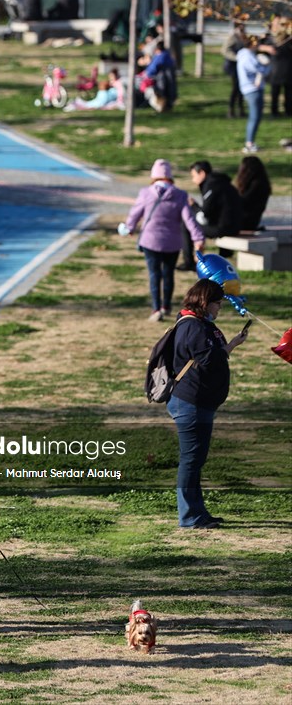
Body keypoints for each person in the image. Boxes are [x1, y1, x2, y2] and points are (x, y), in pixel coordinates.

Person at [167, 279, 248, 529]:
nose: (219, 308)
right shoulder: (193, 326)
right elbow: (209, 358)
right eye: (217, 304)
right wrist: (228, 347)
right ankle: (190, 517)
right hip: (190, 403)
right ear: (205, 302)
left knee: (195, 459)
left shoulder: (198, 324)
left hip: (198, 402)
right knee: (191, 460)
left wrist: (232, 344)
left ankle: (197, 512)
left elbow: (211, 355)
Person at [122, 159, 204, 321]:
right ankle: (166, 306)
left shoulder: (146, 192)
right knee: (168, 274)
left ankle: (155, 309)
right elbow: (189, 220)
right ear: (170, 176)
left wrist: (129, 227)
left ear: (154, 176)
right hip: (172, 242)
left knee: (154, 274)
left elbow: (135, 213)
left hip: (150, 241)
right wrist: (198, 238)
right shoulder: (180, 195)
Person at [185, 161, 242, 264]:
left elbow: (203, 216)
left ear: (202, 173)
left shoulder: (211, 185)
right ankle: (225, 253)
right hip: (234, 226)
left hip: (224, 229)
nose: (193, 180)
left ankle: (189, 262)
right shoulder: (221, 182)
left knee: (187, 224)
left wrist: (193, 205)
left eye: (193, 176)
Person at [236, 35, 276, 154]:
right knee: (254, 117)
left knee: (256, 116)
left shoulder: (247, 55)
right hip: (252, 89)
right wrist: (267, 65)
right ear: (252, 44)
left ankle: (251, 142)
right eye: (257, 43)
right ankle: (249, 143)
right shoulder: (247, 56)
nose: (258, 45)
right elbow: (258, 69)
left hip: (253, 88)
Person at [233, 155, 271, 231]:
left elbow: (243, 202)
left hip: (247, 222)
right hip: (249, 220)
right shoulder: (258, 183)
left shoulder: (258, 184)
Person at [267, 15, 291, 118]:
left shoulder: (289, 39)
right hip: (276, 69)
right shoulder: (271, 38)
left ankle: (288, 110)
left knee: (289, 93)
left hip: (288, 69)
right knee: (275, 93)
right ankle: (274, 111)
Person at [222, 23, 246, 119]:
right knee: (235, 88)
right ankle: (231, 109)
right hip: (234, 66)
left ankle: (241, 109)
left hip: (241, 66)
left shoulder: (243, 36)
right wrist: (236, 58)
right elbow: (225, 50)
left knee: (241, 88)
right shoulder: (232, 37)